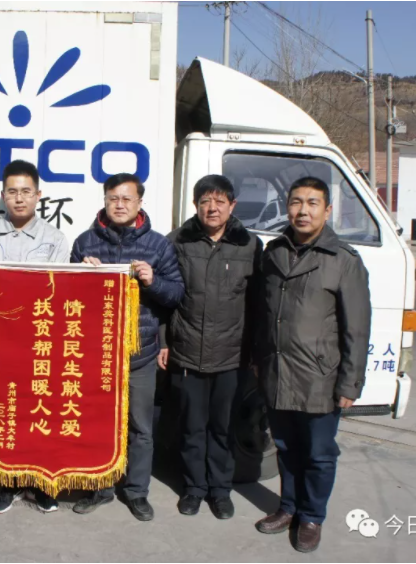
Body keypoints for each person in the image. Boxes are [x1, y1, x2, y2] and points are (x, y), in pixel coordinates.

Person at [253, 176, 371, 553]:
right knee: (286, 446)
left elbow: (356, 328)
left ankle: (312, 516)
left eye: (312, 203)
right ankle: (288, 507)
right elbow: (262, 313)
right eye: (296, 202)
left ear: (327, 210)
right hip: (277, 371)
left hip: (320, 376)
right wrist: (258, 359)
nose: (303, 211)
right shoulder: (274, 252)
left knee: (319, 454)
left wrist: (350, 383)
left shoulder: (343, 261)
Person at [69, 172, 184, 521]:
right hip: (96, 354)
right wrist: (81, 275)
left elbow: (176, 294)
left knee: (140, 428)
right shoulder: (85, 242)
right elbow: (67, 298)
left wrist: (153, 280)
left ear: (139, 203)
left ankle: (136, 492)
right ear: (105, 201)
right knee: (98, 423)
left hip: (140, 354)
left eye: (126, 199)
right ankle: (99, 488)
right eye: (113, 199)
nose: (119, 205)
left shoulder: (158, 245)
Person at [0, 159, 69, 514]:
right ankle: (6, 483)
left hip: (41, 342)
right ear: (3, 195)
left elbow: (63, 288)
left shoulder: (55, 239)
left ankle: (40, 483)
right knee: (4, 412)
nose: (19, 198)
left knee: (41, 412)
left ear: (38, 195)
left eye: (26, 191)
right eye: (12, 192)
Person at [161, 174, 263, 520]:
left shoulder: (249, 245)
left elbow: (258, 303)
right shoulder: (177, 241)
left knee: (223, 428)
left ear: (232, 205)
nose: (212, 208)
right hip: (187, 351)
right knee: (191, 428)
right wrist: (164, 341)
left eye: (220, 201)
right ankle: (193, 489)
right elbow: (164, 297)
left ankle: (220, 491)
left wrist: (256, 352)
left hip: (231, 355)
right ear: (196, 205)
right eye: (205, 201)